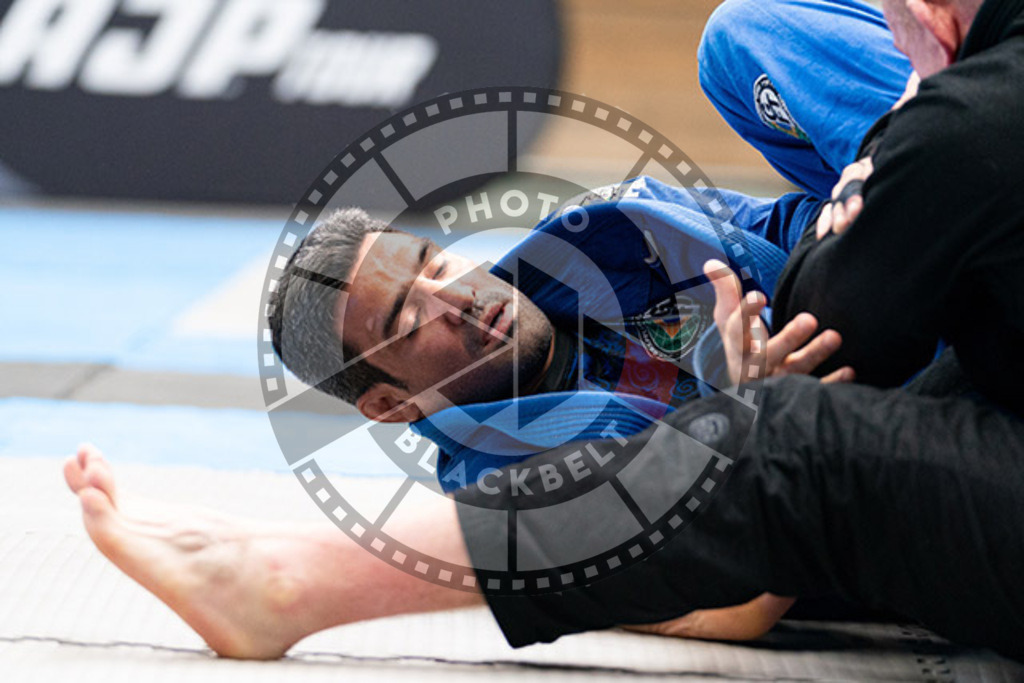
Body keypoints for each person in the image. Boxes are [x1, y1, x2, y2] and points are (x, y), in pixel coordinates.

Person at [64, 0, 1024, 664]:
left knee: (741, 39)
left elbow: (783, 225)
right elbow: (730, 609)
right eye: (409, 320)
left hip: (922, 266)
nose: (455, 297)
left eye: (434, 264)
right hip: (899, 421)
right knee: (774, 430)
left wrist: (851, 227)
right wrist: (758, 396)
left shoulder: (604, 233)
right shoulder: (497, 491)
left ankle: (957, 116)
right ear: (394, 401)